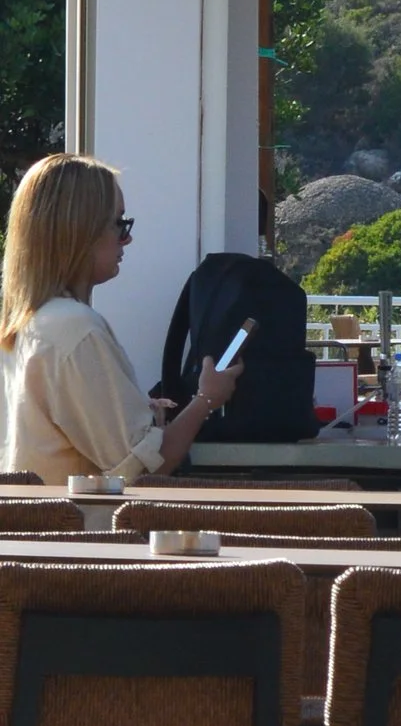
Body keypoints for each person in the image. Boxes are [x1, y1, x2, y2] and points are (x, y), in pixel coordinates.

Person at [0, 157, 237, 485]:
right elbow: (145, 468)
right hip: (81, 531)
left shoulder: (27, 325)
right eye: (119, 224)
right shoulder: (76, 328)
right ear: (80, 230)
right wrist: (207, 397)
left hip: (33, 528)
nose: (126, 239)